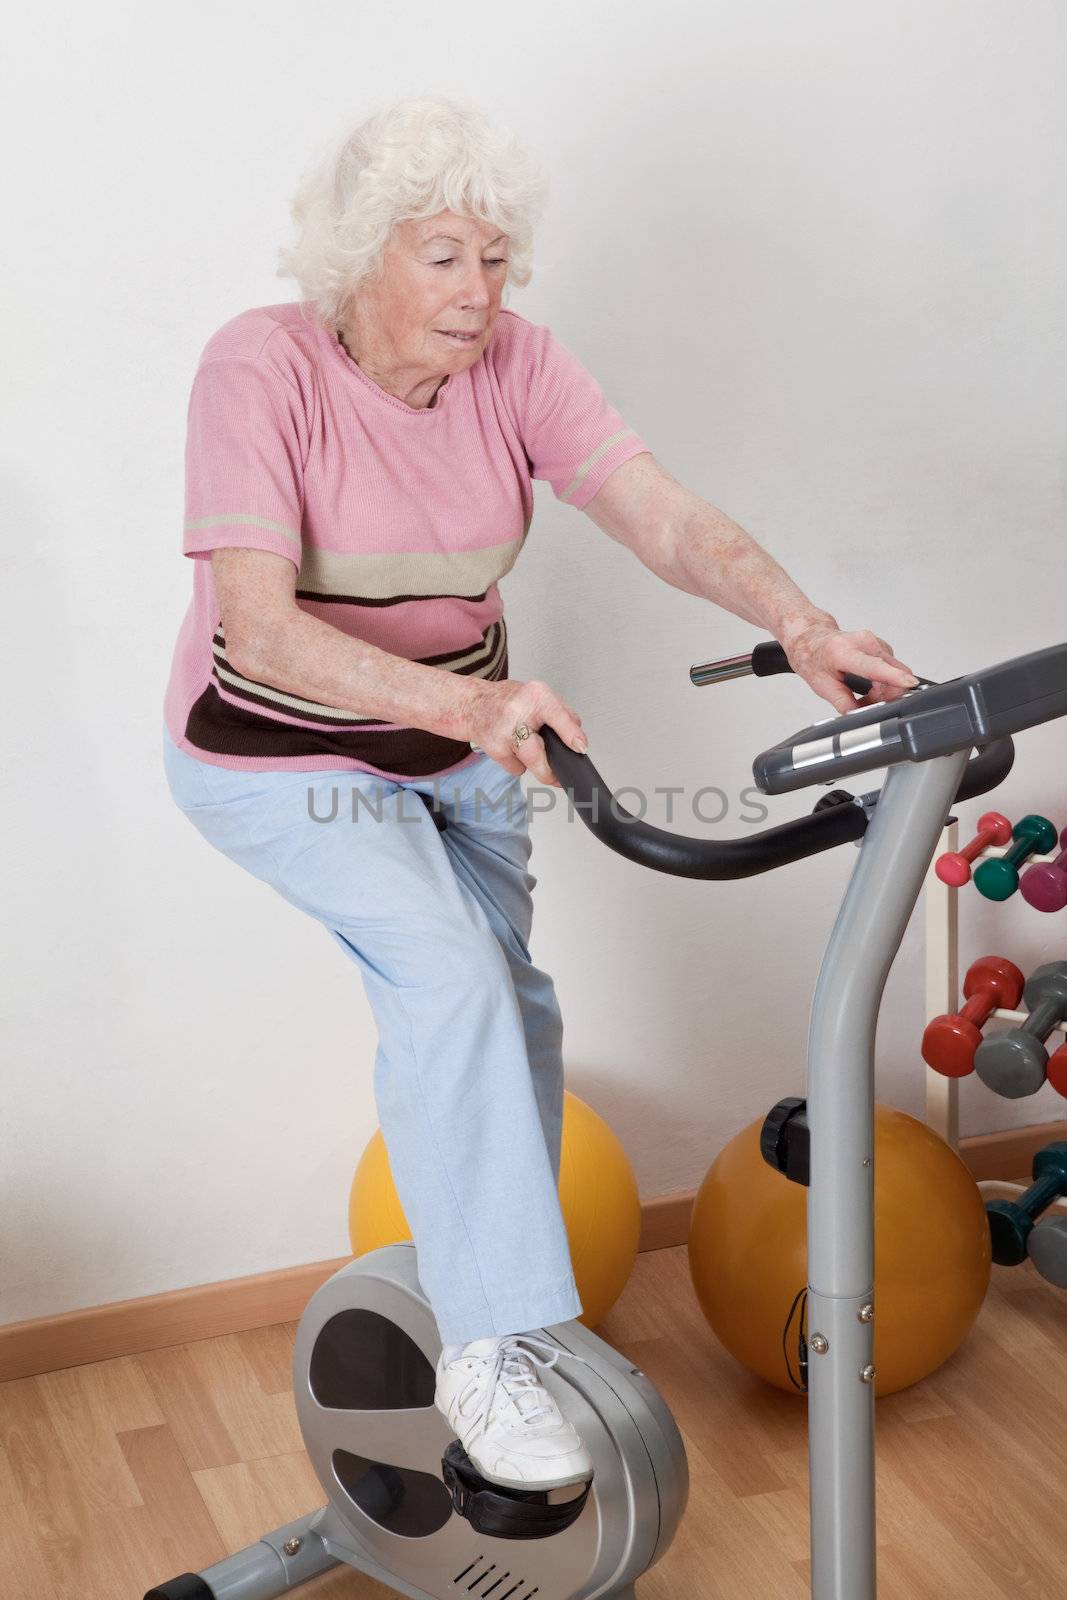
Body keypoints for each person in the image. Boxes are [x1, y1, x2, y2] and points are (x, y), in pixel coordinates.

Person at [161, 94, 920, 1493]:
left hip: (466, 738)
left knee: (512, 1003)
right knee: (446, 978)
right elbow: (257, 629)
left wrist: (804, 623)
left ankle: (500, 1301)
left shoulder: (516, 365)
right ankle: (492, 1344)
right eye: (442, 256)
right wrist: (471, 706)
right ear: (358, 257)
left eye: (495, 257)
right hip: (276, 751)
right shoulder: (258, 370)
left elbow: (663, 513)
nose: (480, 291)